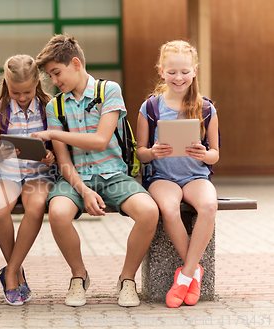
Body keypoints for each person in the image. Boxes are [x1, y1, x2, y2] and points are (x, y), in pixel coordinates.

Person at [32, 34, 159, 307]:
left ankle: (127, 280)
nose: (54, 82)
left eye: (56, 73)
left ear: (75, 63)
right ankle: (79, 277)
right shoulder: (55, 105)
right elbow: (64, 162)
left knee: (149, 212)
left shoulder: (108, 90)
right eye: (50, 76)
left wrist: (56, 133)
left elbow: (101, 140)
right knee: (57, 213)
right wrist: (84, 191)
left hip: (114, 175)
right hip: (76, 178)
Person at [136, 40, 220, 308]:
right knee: (170, 210)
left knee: (208, 205)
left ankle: (184, 276)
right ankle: (194, 271)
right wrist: (153, 152)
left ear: (194, 71)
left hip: (196, 175)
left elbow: (215, 153)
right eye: (172, 72)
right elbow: (140, 152)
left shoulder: (206, 108)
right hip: (163, 178)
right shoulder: (150, 108)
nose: (178, 77)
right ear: (161, 71)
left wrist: (203, 155)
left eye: (184, 71)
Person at [0, 55, 55, 306]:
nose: (22, 96)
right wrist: (2, 152)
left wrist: (50, 156)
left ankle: (12, 271)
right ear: (6, 83)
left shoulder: (50, 107)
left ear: (38, 81)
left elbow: (57, 148)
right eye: (16, 92)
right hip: (7, 173)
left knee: (36, 206)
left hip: (38, 173)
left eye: (27, 91)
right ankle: (16, 271)